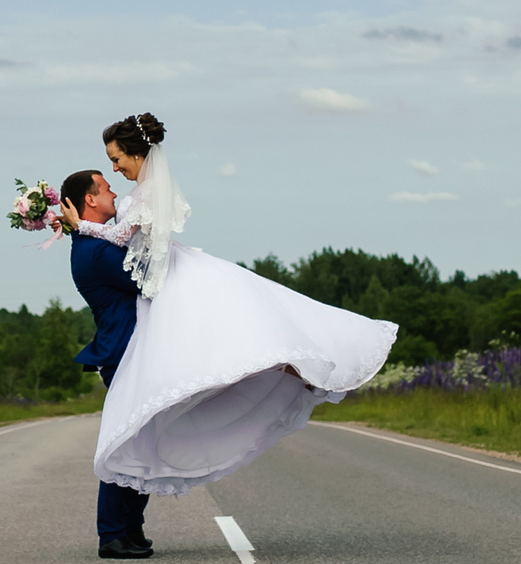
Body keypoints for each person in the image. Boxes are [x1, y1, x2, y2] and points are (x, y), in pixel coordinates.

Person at [92, 112, 399, 506]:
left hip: (172, 280)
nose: (114, 167)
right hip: (171, 275)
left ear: (135, 153)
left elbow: (119, 235)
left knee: (226, 348)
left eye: (116, 158)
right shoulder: (148, 189)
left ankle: (298, 368)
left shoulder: (147, 194)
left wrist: (73, 224)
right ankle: (291, 370)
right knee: (227, 348)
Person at [61, 167, 154, 558]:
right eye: (106, 188)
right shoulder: (96, 250)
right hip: (122, 351)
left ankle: (130, 527)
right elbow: (146, 278)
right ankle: (112, 534)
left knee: (142, 441)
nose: (114, 192)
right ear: (90, 200)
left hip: (131, 349)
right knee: (127, 443)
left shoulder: (93, 241)